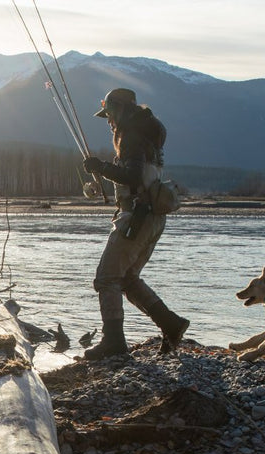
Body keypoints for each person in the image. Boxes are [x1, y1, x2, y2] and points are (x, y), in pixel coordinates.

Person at [80, 88, 189, 360]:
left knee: (107, 277)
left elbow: (131, 175)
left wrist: (101, 167)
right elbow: (139, 175)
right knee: (128, 279)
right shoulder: (147, 133)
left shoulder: (131, 135)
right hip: (153, 218)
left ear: (119, 109)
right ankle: (172, 324)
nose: (108, 121)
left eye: (109, 114)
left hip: (137, 218)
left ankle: (114, 342)